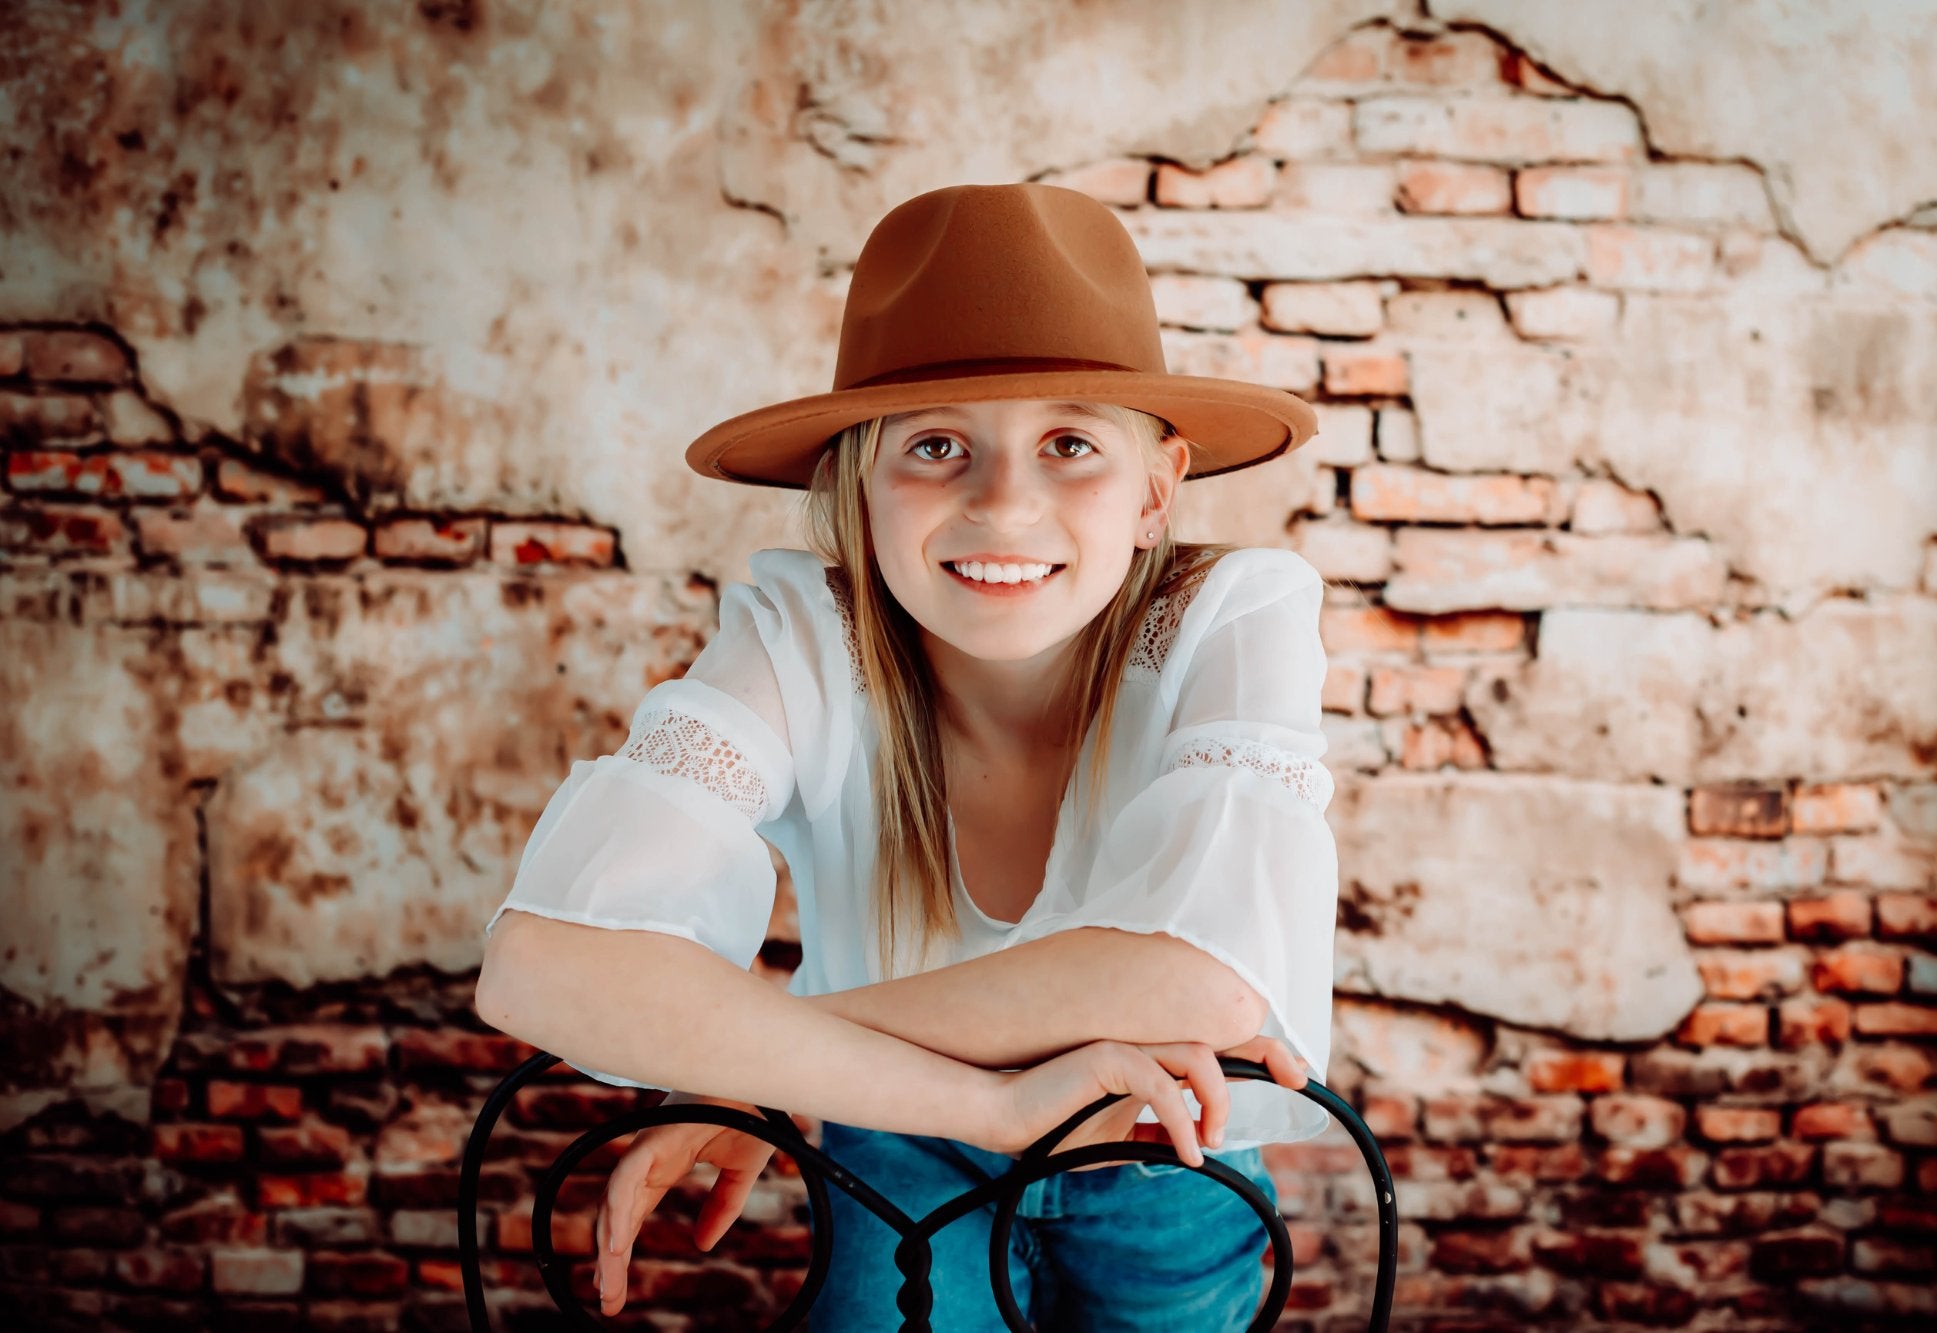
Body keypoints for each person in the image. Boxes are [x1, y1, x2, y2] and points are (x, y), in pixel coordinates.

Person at [474, 181, 1341, 1329]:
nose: (1002, 504)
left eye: (1069, 443)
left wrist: (755, 1055)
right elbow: (542, 966)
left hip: (1167, 1157)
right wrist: (981, 1104)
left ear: (1156, 486)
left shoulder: (1232, 612)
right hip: (896, 1152)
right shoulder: (801, 635)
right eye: (936, 445)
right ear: (858, 483)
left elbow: (1201, 973)